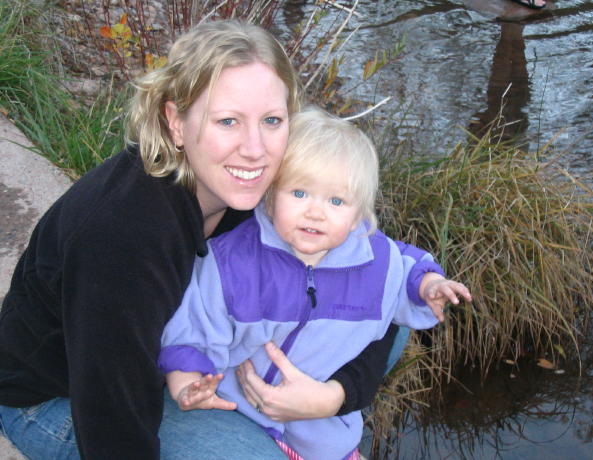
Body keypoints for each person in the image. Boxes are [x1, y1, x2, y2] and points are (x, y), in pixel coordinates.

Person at [0, 20, 403, 460]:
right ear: (176, 122)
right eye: (228, 121)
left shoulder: (262, 190)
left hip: (176, 360)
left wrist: (333, 396)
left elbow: (377, 277)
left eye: (271, 120)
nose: (255, 149)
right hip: (62, 399)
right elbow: (113, 421)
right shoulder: (123, 238)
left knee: (386, 305)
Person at [158, 107, 473, 460]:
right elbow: (192, 327)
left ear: (358, 215)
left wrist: (429, 283)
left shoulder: (376, 261)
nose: (315, 212)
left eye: (336, 201)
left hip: (322, 436)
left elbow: (406, 265)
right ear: (270, 195)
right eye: (299, 193)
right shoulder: (232, 261)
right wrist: (187, 383)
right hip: (238, 410)